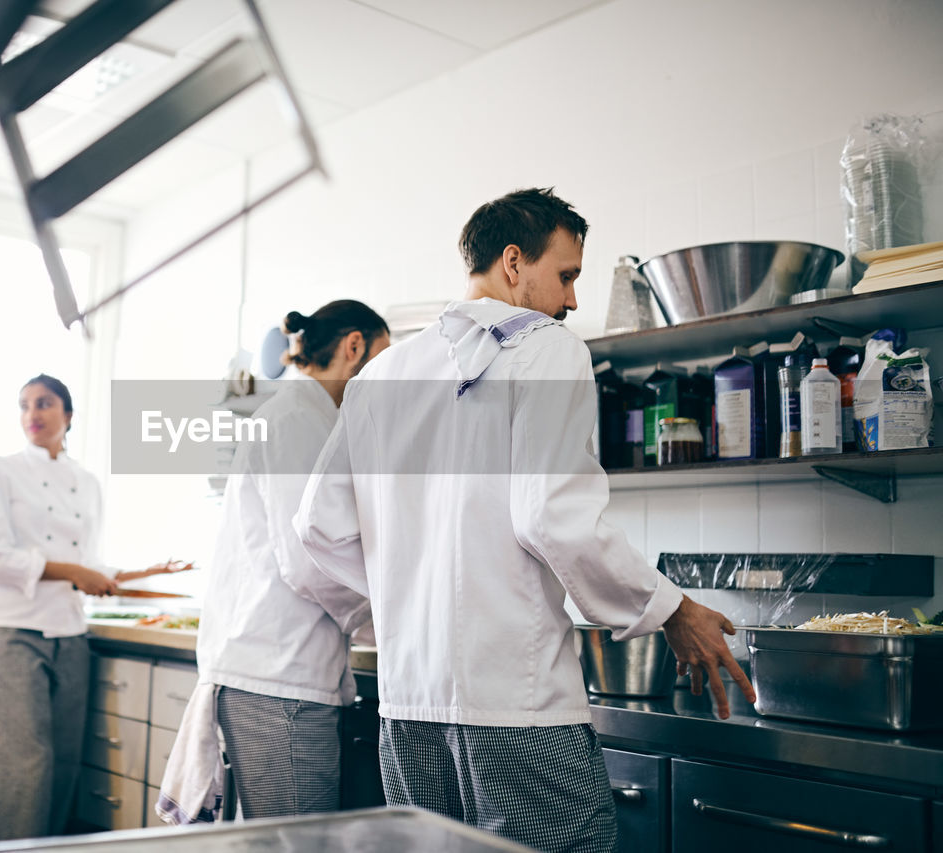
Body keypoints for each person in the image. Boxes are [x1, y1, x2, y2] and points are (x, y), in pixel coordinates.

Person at [293, 188, 755, 852]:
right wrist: (672, 609)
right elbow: (554, 516)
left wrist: (404, 596)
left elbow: (319, 528)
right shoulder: (546, 347)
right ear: (514, 262)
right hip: (515, 706)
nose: (570, 300)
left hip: (407, 710)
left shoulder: (380, 375)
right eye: (566, 275)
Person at [190, 300, 389, 819]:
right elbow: (309, 559)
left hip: (278, 675)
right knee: (296, 842)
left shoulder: (306, 418)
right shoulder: (299, 420)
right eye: (382, 359)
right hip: (278, 679)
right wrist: (387, 622)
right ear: (353, 347)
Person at [0, 373, 183, 841]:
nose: (32, 414)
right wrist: (72, 572)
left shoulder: (86, 482)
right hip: (10, 629)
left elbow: (89, 564)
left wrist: (142, 571)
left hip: (68, 631)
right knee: (20, 765)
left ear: (68, 415)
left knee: (64, 761)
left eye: (44, 403)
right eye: (24, 405)